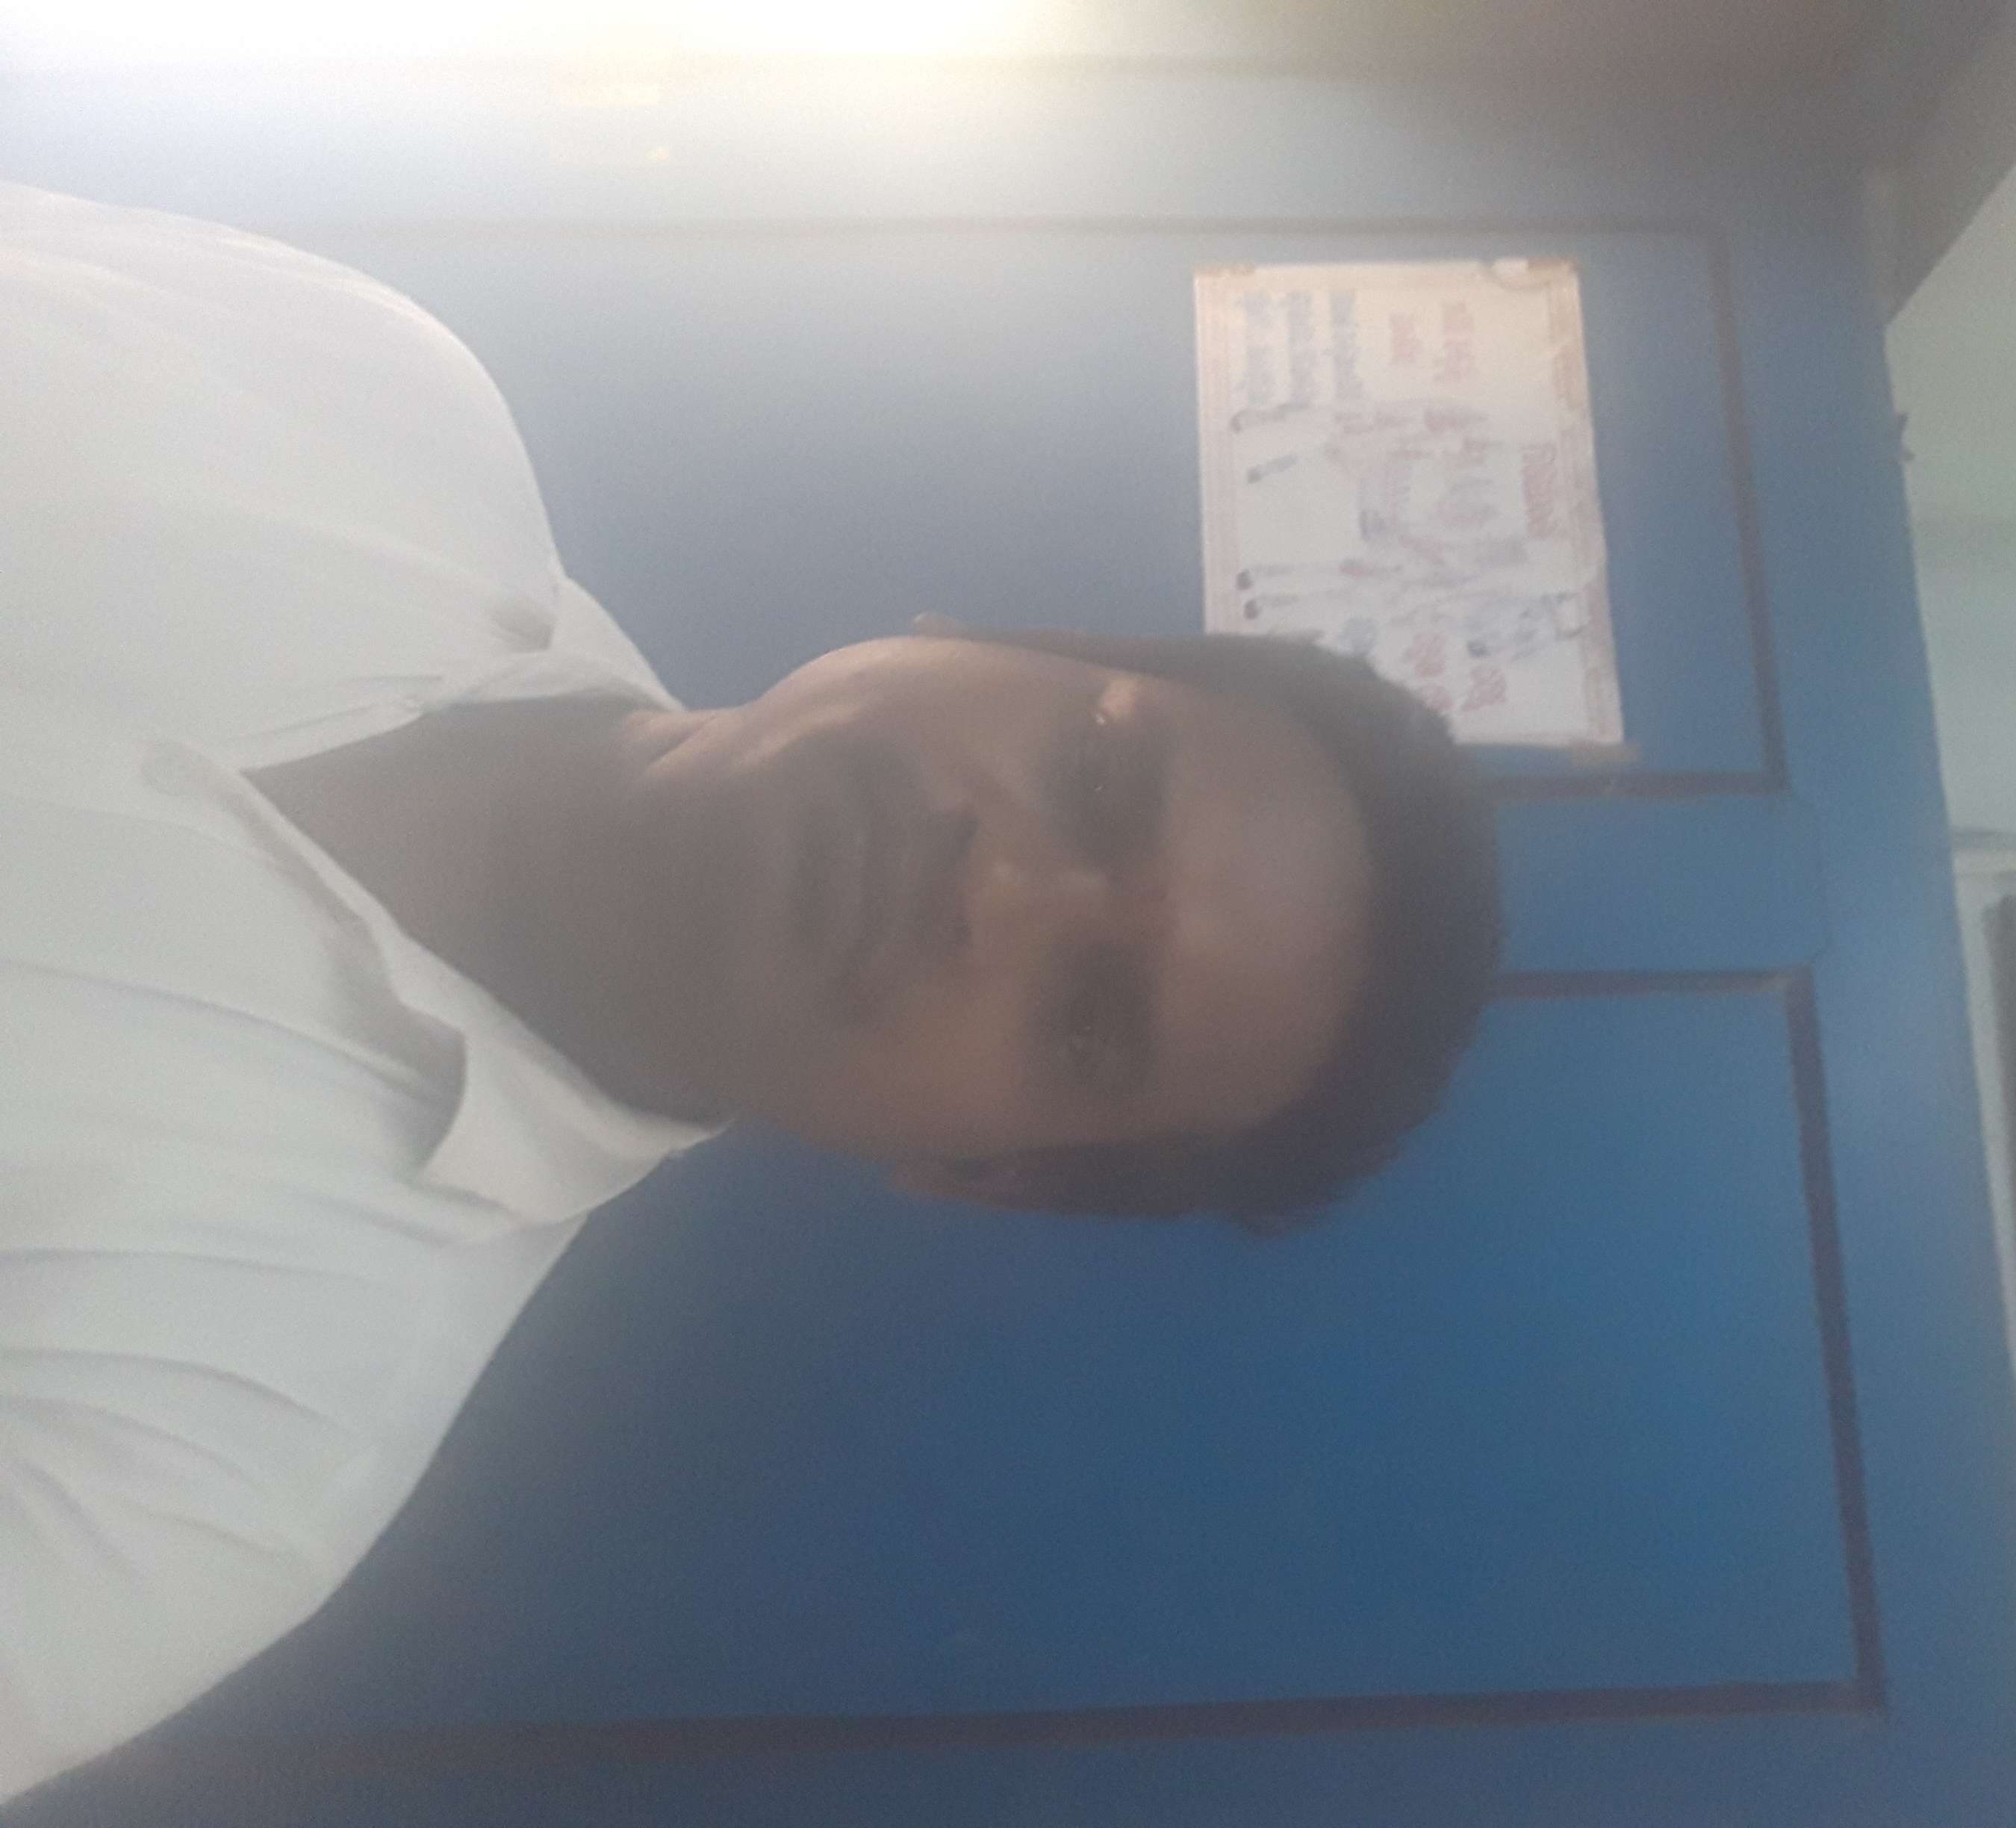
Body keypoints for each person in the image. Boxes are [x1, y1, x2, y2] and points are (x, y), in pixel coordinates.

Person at [0, 185, 1502, 1798]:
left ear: (975, 1173)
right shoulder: (360, 396)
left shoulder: (210, 1453)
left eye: (1086, 1018)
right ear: (986, 635)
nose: (998, 888)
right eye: (1095, 777)